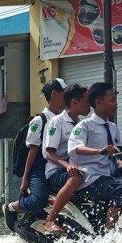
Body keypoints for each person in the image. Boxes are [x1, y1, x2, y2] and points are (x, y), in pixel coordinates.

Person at [3, 78, 68, 232]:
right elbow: (33, 150)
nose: (68, 96)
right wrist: (25, 178)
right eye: (64, 92)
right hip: (38, 167)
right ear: (54, 94)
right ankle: (11, 207)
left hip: (57, 166)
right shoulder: (40, 120)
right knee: (38, 199)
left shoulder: (65, 120)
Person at [67, 83, 122, 230]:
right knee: (119, 190)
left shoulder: (113, 128)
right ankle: (110, 235)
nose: (116, 104)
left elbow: (120, 150)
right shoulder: (84, 126)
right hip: (91, 178)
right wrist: (100, 151)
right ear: (99, 102)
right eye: (113, 100)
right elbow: (76, 148)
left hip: (109, 175)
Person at [41, 84, 90, 234]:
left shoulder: (83, 124)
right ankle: (50, 220)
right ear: (74, 102)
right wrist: (67, 165)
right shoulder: (57, 122)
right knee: (76, 178)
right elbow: (49, 153)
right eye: (86, 101)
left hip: (79, 168)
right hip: (57, 171)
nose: (90, 105)